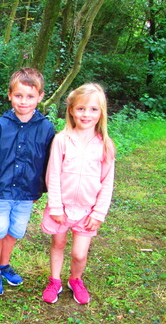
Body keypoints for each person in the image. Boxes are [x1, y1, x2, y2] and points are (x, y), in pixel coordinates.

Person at [0, 68, 56, 295]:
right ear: (10, 95)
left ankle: (4, 265)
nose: (24, 101)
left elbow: (51, 161)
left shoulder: (46, 128)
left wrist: (49, 189)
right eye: (19, 95)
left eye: (30, 96)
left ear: (40, 97)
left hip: (26, 192)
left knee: (15, 231)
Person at [41, 83, 115, 304]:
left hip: (87, 210)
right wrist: (55, 207)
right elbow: (52, 174)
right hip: (61, 208)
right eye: (81, 108)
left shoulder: (105, 145)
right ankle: (55, 281)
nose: (86, 114)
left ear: (101, 112)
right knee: (59, 244)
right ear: (71, 109)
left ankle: (76, 279)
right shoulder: (62, 140)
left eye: (93, 109)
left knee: (79, 254)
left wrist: (98, 213)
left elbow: (107, 183)